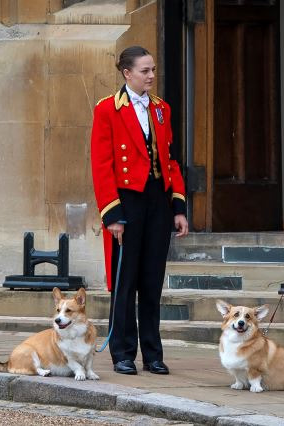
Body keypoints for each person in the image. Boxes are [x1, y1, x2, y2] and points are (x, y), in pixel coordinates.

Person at [90, 46, 189, 376]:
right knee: (125, 281)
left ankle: (153, 353)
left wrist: (177, 206)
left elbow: (171, 159)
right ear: (127, 73)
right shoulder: (107, 109)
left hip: (157, 201)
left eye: (153, 70)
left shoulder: (161, 109)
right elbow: (101, 165)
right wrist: (112, 214)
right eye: (145, 70)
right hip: (126, 203)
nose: (151, 76)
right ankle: (122, 352)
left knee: (151, 281)